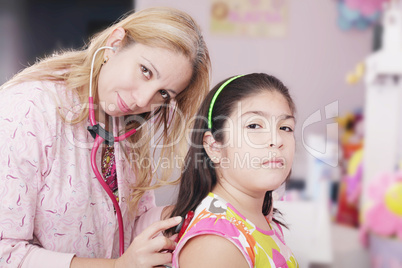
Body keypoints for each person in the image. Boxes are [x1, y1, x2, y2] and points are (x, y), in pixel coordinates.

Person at [0, 6, 210, 268]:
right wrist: (118, 266)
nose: (144, 100)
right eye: (145, 70)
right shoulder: (27, 108)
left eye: (164, 94)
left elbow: (125, 228)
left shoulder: (124, 127)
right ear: (114, 44)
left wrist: (191, 211)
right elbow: (5, 252)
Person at [168, 73, 299, 267]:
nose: (277, 140)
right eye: (254, 125)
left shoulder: (260, 218)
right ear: (214, 147)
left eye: (286, 128)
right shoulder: (215, 245)